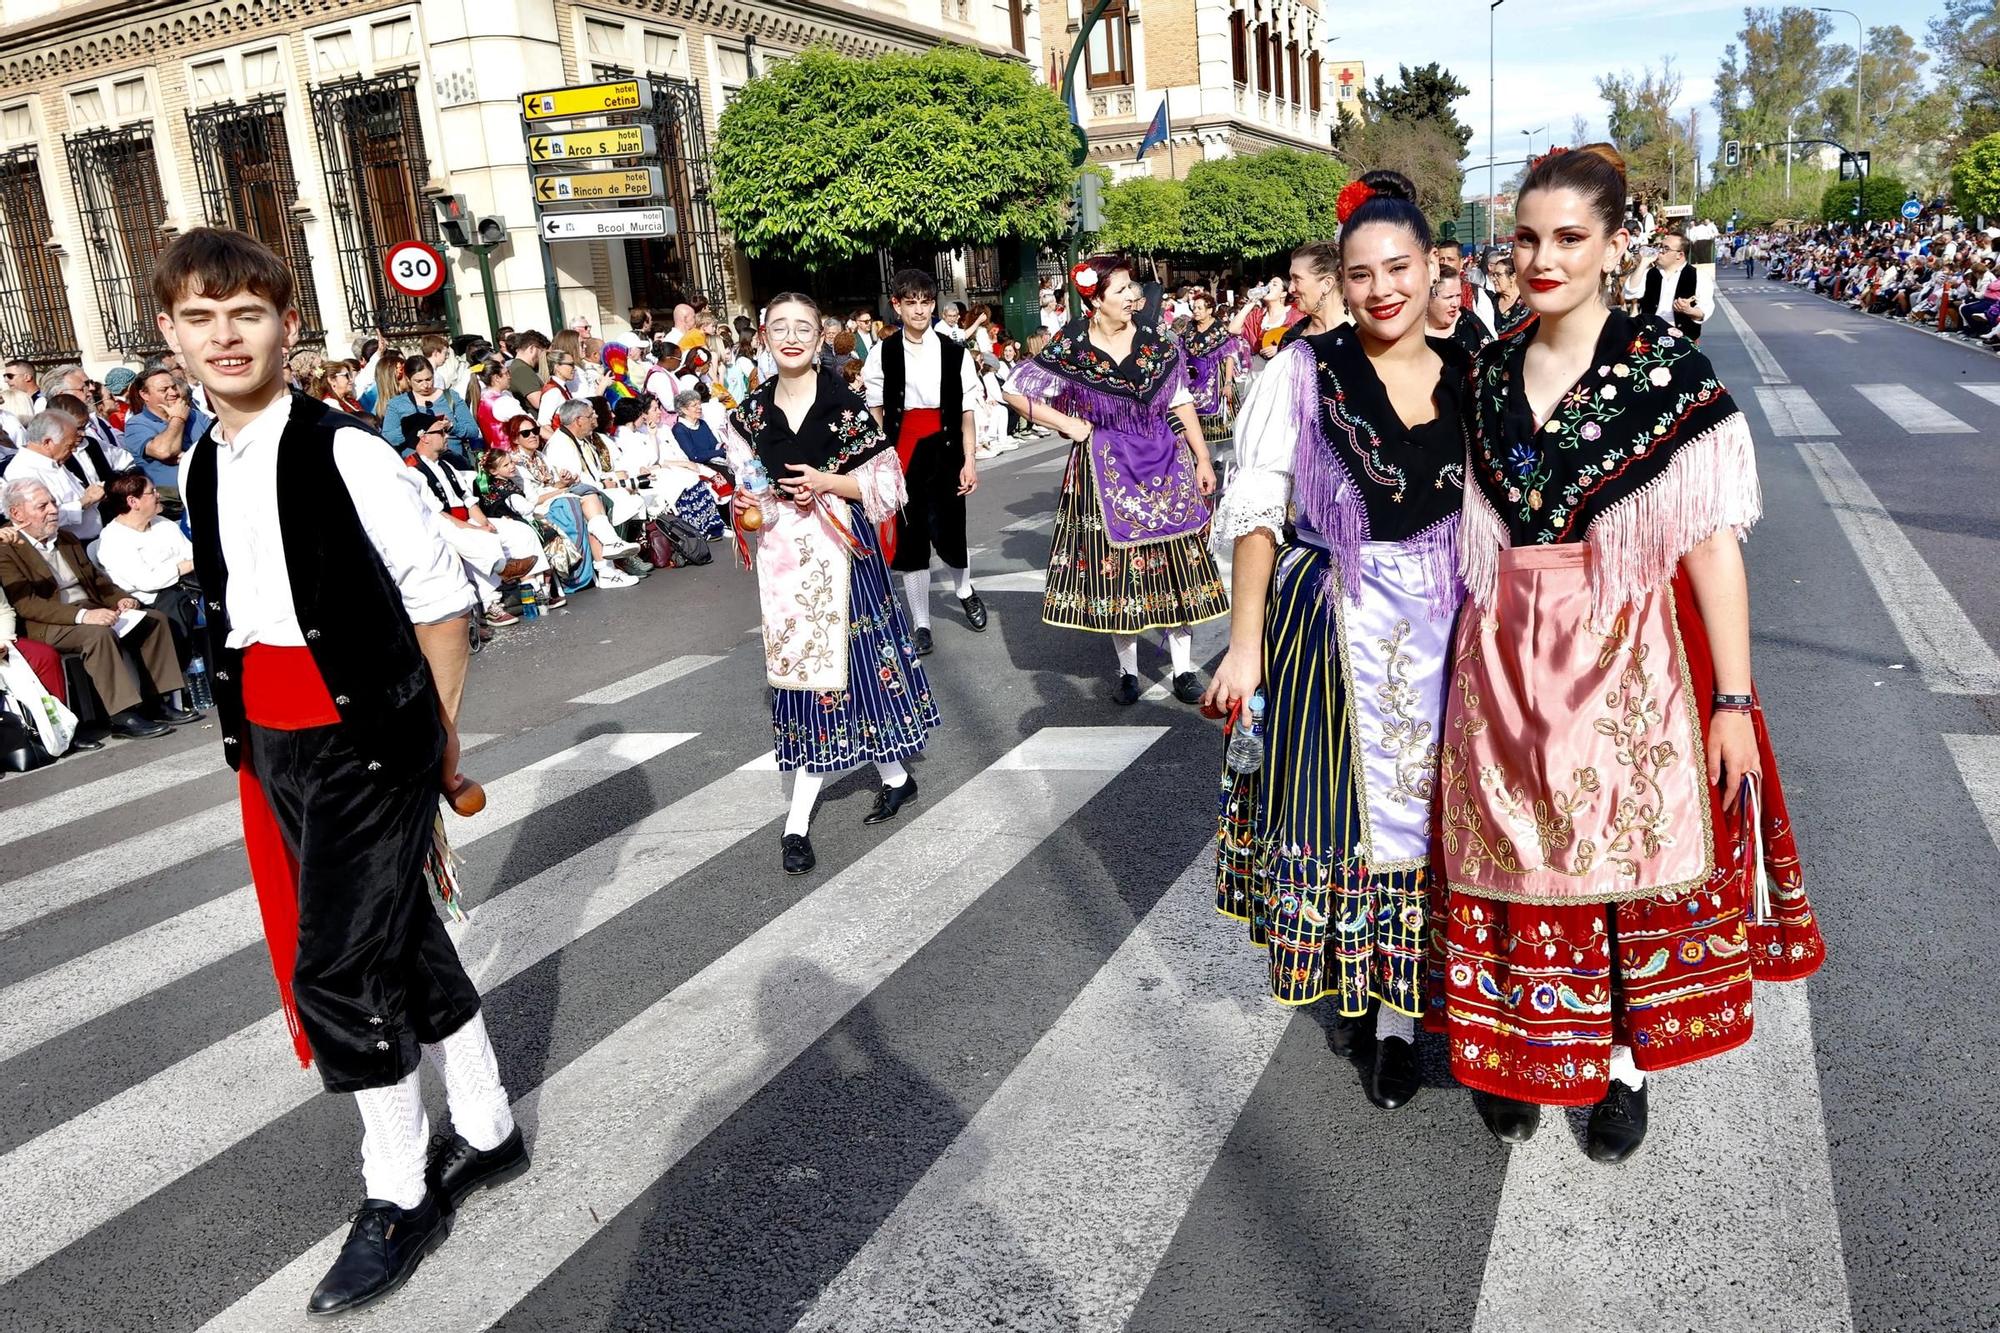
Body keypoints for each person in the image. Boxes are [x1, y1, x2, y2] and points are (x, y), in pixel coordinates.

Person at [1436, 144, 1824, 1160]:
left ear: (1613, 247)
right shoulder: (1483, 371)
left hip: (1623, 652)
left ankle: (1617, 1065)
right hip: (1501, 655)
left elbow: (1709, 552)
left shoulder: (1662, 370)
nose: (1541, 257)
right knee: (1507, 861)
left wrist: (1731, 702)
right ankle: (1517, 1051)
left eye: (1568, 238)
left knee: (1618, 867)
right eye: (1525, 238)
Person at [163, 226, 526, 1314]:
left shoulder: (346, 450)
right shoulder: (197, 460)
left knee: (332, 969)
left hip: (369, 738)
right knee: (397, 937)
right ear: (171, 334)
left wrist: (438, 740)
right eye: (200, 317)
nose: (226, 336)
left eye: (247, 313)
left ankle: (398, 1188)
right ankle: (491, 1126)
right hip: (272, 738)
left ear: (285, 323)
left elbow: (440, 601)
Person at [1207, 169, 1473, 1110]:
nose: (1381, 290)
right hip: (1334, 623)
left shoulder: (1475, 365)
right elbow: (1256, 509)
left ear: (1432, 265)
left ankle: (1455, 1009)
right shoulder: (1302, 369)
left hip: (1455, 627)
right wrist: (1245, 646)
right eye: (1359, 274)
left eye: (1398, 267)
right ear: (1339, 281)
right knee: (1355, 826)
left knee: (1447, 825)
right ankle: (1386, 1015)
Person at [726, 292, 939, 875]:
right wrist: (749, 506)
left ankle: (798, 822)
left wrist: (826, 480)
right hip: (787, 569)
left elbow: (890, 489)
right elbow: (753, 501)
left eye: (803, 328)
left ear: (821, 338)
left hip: (845, 556)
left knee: (860, 673)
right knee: (805, 681)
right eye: (779, 327)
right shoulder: (746, 415)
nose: (791, 337)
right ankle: (889, 780)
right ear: (763, 337)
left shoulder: (845, 406)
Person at [1003, 256, 1227, 704]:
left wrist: (1203, 458)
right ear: (1096, 298)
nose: (1132, 297)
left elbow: (1181, 402)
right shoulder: (1072, 345)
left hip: (1165, 460)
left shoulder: (1156, 342)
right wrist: (1067, 424)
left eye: (1132, 289)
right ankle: (1128, 672)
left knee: (1174, 567)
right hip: (1102, 466)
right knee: (1116, 573)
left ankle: (1183, 670)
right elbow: (1014, 388)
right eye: (1122, 289)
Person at [0, 477, 189, 737]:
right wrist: (84, 615)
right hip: (49, 623)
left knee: (152, 619)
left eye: (53, 503)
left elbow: (98, 580)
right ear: (17, 513)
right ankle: (123, 715)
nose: (53, 510)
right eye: (42, 506)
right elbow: (28, 605)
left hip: (89, 608)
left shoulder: (65, 538)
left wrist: (120, 599)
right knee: (98, 635)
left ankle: (160, 701)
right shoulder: (7, 549)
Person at [860, 268, 986, 655]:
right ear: (896, 306)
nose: (919, 310)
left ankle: (964, 589)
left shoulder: (954, 351)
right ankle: (922, 622)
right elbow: (878, 412)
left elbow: (966, 412)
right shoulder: (882, 353)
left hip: (946, 446)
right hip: (902, 451)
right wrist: (879, 463)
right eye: (910, 303)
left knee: (951, 529)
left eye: (926, 302)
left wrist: (970, 459)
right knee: (912, 539)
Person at [402, 413, 527, 628]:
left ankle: (533, 583)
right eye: (441, 432)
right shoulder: (413, 470)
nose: (447, 436)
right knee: (476, 540)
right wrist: (475, 528)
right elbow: (437, 513)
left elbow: (469, 500)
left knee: (515, 530)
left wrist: (485, 524)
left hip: (464, 519)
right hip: (443, 525)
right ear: (424, 437)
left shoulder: (446, 465)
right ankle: (491, 602)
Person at [93, 470, 203, 659]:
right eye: (152, 492)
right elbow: (148, 581)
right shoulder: (113, 540)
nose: (158, 495)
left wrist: (185, 565)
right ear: (133, 502)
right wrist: (183, 566)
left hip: (188, 589)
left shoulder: (162, 523)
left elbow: (193, 554)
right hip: (152, 603)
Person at [5, 409, 107, 541]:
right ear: (48, 442)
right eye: (69, 446)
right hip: (70, 545)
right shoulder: (21, 472)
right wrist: (84, 502)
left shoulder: (54, 459)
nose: (74, 450)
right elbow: (36, 519)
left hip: (93, 536)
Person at [123, 365, 212, 502]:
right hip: (171, 504)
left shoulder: (196, 416)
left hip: (208, 493)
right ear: (145, 395)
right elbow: (164, 451)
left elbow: (220, 447)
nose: (173, 393)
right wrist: (178, 419)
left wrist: (190, 457)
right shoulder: (136, 424)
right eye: (164, 390)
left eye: (174, 387)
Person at [381, 355, 482, 461]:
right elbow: (388, 438)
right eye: (418, 381)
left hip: (454, 462)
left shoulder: (450, 397)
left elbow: (473, 430)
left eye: (429, 379)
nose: (425, 385)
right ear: (408, 379)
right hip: (417, 466)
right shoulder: (397, 404)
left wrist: (451, 426)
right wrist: (412, 427)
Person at [1181, 290, 1246, 444]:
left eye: (1199, 308)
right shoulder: (1189, 328)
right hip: (1192, 378)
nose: (1195, 311)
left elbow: (1229, 356)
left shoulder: (1219, 329)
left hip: (1214, 377)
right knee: (1193, 417)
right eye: (1194, 308)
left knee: (1217, 421)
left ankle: (1217, 457)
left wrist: (1228, 382)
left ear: (1209, 310)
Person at [1277, 242, 1346, 349]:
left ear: (1326, 284)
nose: (1291, 289)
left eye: (1297, 279)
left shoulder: (1361, 337)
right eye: (1291, 279)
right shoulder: (1291, 337)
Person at [1643, 229, 1707, 340]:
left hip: (1682, 338)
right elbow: (1629, 292)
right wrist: (1643, 264)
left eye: (1666, 248)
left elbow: (1704, 311)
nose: (1660, 251)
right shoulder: (1650, 273)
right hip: (1650, 334)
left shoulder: (1698, 276)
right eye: (1659, 247)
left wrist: (1688, 310)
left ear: (1680, 255)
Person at [1427, 260, 1491, 359]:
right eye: (1448, 297)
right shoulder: (1411, 334)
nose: (1455, 304)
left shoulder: (1470, 323)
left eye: (1458, 295)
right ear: (1427, 298)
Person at [1485, 251, 1534, 339]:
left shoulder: (1530, 303)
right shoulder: (1491, 302)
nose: (1493, 279)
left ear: (1513, 277)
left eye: (1498, 275)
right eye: (1493, 275)